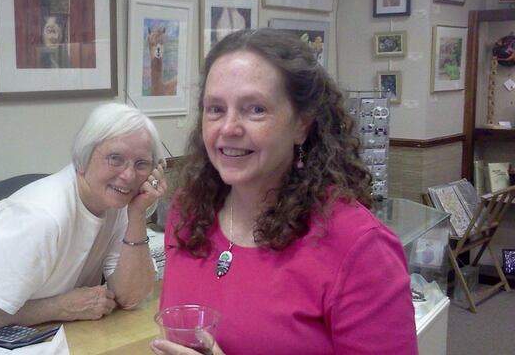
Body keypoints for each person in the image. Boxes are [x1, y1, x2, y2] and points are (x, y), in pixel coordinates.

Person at [151, 29, 417, 355]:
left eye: (255, 109)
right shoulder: (188, 211)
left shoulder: (359, 246)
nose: (229, 127)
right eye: (216, 109)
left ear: (302, 124)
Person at [0, 103, 167, 332]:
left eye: (141, 164)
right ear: (83, 157)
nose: (128, 175)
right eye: (115, 158)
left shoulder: (117, 203)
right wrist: (60, 307)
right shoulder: (42, 217)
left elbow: (130, 296)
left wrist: (137, 214)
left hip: (30, 336)